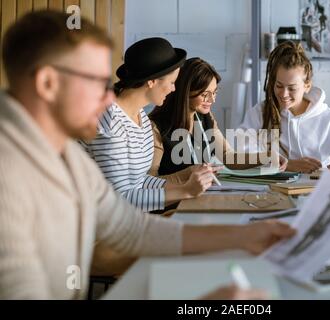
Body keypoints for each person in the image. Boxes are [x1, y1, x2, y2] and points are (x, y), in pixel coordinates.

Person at [0, 10, 296, 299]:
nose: (110, 97)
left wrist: (245, 237)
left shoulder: (67, 157)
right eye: (97, 83)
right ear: (48, 83)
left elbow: (131, 228)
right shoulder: (8, 177)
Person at [80, 38, 219, 214]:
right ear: (152, 81)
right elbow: (118, 201)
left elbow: (139, 182)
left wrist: (188, 184)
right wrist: (185, 191)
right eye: (171, 82)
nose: (174, 89)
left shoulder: (141, 118)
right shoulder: (109, 122)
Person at [238, 41, 330, 175]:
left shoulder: (328, 119)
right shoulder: (259, 113)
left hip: (314, 192)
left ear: (307, 86)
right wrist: (287, 165)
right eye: (279, 85)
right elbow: (238, 154)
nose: (284, 94)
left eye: (292, 88)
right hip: (271, 192)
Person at [149, 57, 287, 177]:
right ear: (185, 92)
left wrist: (268, 156)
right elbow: (151, 181)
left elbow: (228, 156)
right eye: (205, 94)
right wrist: (189, 174)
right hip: (175, 204)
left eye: (214, 92)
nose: (212, 100)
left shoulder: (205, 117)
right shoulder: (156, 127)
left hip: (199, 197)